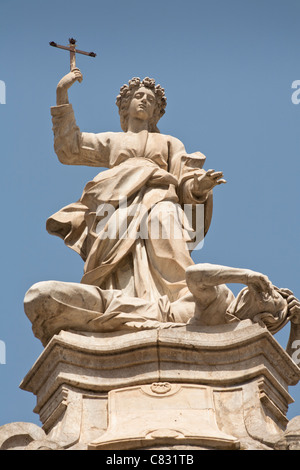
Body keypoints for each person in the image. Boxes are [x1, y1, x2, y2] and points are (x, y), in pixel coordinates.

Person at [46, 70, 226, 303]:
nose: (144, 101)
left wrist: (198, 188)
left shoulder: (170, 142)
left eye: (151, 100)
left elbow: (184, 177)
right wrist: (62, 94)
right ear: (125, 105)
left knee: (167, 229)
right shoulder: (113, 140)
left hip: (160, 197)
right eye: (139, 96)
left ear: (155, 112)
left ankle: (181, 293)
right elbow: (70, 149)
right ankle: (121, 299)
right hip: (116, 203)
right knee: (118, 261)